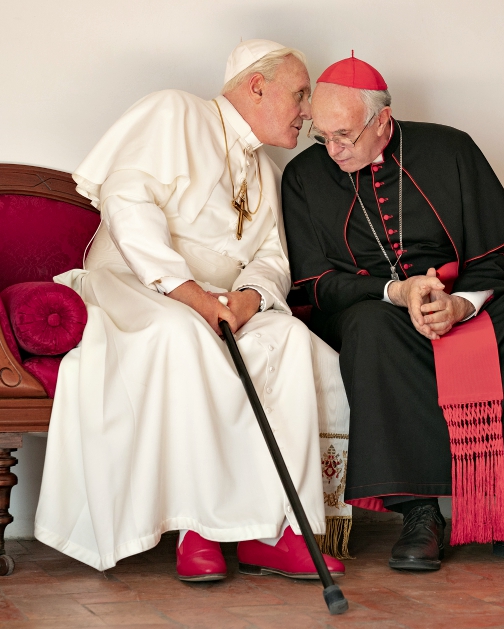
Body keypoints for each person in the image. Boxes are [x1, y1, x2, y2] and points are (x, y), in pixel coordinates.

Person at [282, 54, 504, 572]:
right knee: (367, 328)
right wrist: (396, 293)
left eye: (344, 137)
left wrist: (459, 304)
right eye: (323, 136)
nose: (332, 150)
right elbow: (314, 282)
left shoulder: (450, 149)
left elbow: (494, 259)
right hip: (377, 309)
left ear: (381, 122)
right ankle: (420, 515)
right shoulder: (303, 178)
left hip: (462, 302)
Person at [34, 40, 349, 581]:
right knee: (184, 334)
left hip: (221, 303)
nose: (306, 111)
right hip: (135, 284)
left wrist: (248, 300)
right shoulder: (175, 112)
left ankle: (278, 531)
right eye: (299, 94)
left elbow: (272, 256)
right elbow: (128, 206)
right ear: (256, 84)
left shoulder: (269, 172)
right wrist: (193, 296)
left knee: (289, 341)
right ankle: (197, 529)